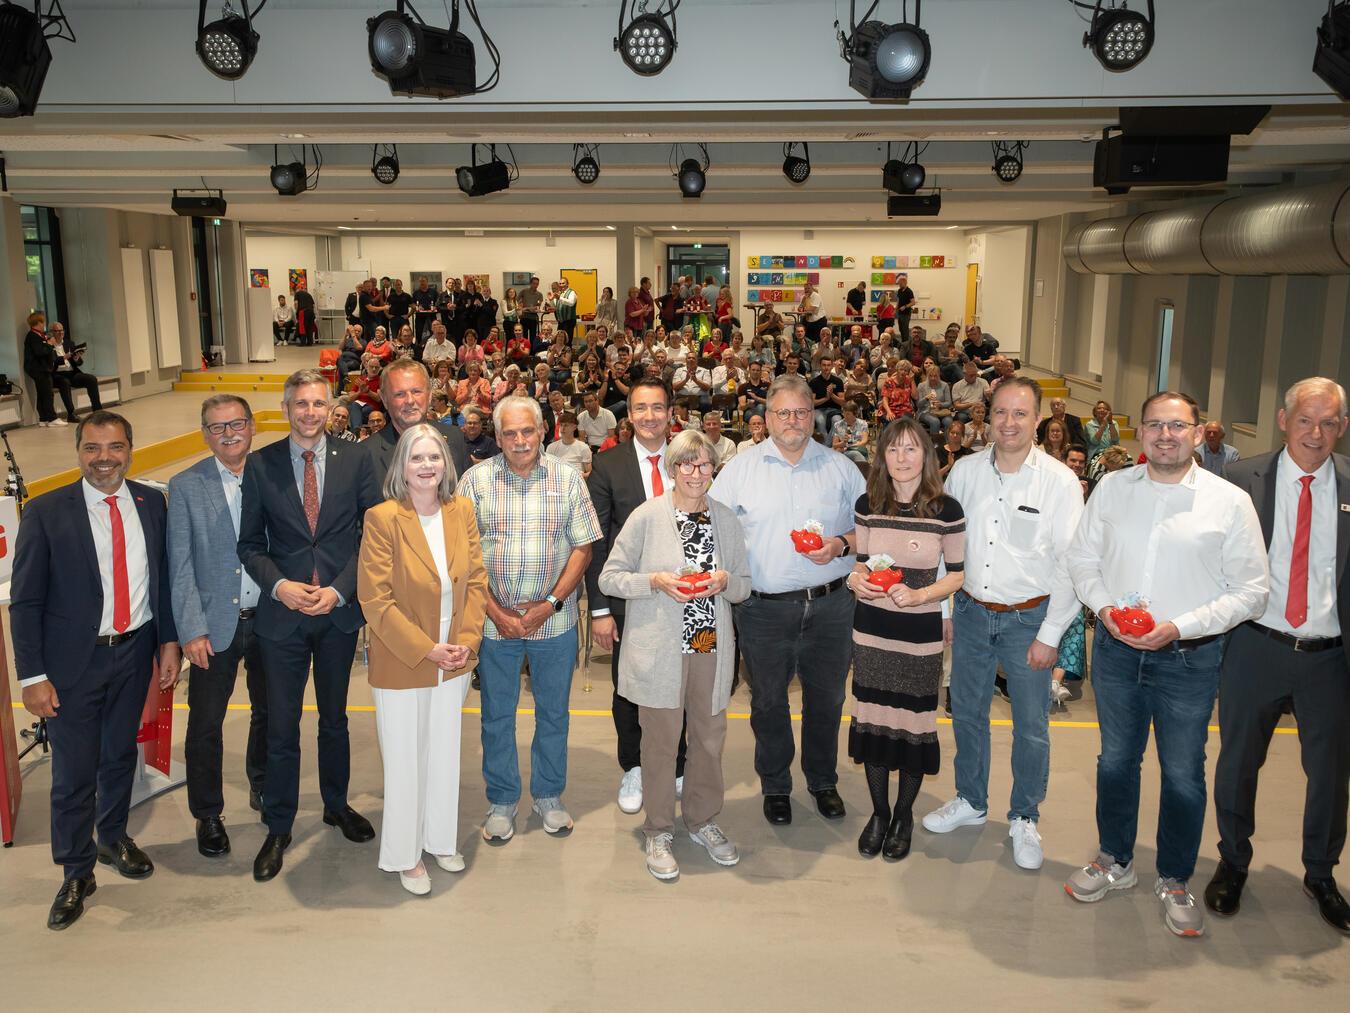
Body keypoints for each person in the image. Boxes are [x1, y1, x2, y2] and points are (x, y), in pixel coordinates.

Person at [1065, 390, 1269, 938]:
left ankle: (1175, 877)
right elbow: (1082, 558)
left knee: (1182, 773)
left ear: (1198, 433)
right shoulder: (1113, 488)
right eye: (1154, 424)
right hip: (1116, 653)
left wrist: (1181, 626)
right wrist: (1105, 609)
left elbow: (1252, 592)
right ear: (1141, 432)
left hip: (1188, 660)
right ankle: (1115, 860)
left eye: (1177, 426)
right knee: (1115, 762)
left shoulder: (1229, 502)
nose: (1165, 435)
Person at [11, 411, 181, 930]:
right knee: (73, 773)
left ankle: (111, 838)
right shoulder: (45, 512)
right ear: (78, 452)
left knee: (118, 756)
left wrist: (168, 643)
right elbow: (26, 601)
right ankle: (76, 870)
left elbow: (163, 579)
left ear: (130, 449)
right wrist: (33, 676)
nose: (104, 458)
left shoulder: (152, 503)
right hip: (71, 665)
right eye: (92, 448)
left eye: (114, 447)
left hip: (134, 653)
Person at [922, 377, 1085, 870]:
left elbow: (1071, 565)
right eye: (1000, 413)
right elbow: (946, 547)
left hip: (1029, 619)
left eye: (1020, 414)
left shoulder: (1059, 482)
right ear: (987, 417)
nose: (1009, 423)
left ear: (1038, 420)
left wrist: (1050, 634)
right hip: (971, 613)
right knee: (967, 714)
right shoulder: (965, 472)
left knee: (1030, 726)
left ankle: (1024, 816)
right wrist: (945, 611)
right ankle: (971, 801)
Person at [1207, 377, 1350, 934]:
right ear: (1284, 420)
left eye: (1329, 422)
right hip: (1255, 646)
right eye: (1306, 420)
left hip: (1329, 657)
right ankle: (1232, 862)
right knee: (1239, 762)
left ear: (1342, 427)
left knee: (1330, 773)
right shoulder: (1240, 481)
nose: (1317, 433)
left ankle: (1321, 873)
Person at [711, 374, 867, 825]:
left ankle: (822, 781)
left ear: (813, 416)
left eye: (801, 412)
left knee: (827, 700)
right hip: (763, 610)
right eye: (784, 412)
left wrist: (841, 544)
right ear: (767, 417)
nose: (793, 420)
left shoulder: (841, 468)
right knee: (768, 703)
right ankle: (776, 784)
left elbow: (872, 528)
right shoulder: (740, 470)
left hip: (832, 607)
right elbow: (713, 529)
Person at [237, 370, 375, 882]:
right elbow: (250, 544)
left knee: (335, 719)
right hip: (283, 617)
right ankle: (279, 825)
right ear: (286, 409)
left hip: (337, 612)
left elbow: (371, 536)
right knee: (281, 726)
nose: (310, 412)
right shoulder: (261, 464)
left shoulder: (356, 459)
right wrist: (280, 587)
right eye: (301, 404)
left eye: (318, 403)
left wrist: (340, 589)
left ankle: (336, 805)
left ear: (330, 407)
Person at [597, 431, 752, 880]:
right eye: (686, 464)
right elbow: (610, 577)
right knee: (661, 743)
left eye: (704, 464)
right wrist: (655, 582)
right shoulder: (647, 516)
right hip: (661, 649)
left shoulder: (725, 519)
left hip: (708, 644)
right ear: (672, 468)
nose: (696, 473)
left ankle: (702, 820)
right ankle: (659, 829)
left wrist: (725, 581)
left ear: (714, 469)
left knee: (708, 738)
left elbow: (744, 585)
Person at [457, 396, 602, 843]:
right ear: (497, 437)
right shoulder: (474, 481)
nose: (520, 441)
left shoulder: (568, 479)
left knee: (553, 714)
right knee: (496, 716)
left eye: (527, 431)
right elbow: (464, 556)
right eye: (510, 433)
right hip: (493, 623)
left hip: (554, 623)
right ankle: (502, 800)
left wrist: (550, 604)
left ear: (543, 431)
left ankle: (548, 796)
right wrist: (495, 611)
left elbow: (583, 548)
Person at [356, 424, 486, 895]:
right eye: (417, 458)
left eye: (434, 457)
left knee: (444, 755)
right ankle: (405, 855)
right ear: (402, 467)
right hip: (404, 660)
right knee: (406, 761)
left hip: (453, 659)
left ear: (446, 464)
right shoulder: (383, 518)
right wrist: (426, 649)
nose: (427, 466)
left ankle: (439, 839)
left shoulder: (462, 511)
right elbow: (375, 600)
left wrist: (466, 643)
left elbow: (476, 582)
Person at [847, 418, 966, 861]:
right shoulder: (868, 503)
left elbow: (957, 575)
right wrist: (855, 581)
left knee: (913, 727)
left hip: (919, 637)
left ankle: (903, 815)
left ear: (926, 455)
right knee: (875, 723)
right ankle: (879, 813)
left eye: (911, 448)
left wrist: (919, 595)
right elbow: (861, 563)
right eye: (893, 449)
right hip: (872, 632)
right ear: (882, 455)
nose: (902, 458)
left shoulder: (946, 510)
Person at [167, 395, 268, 860]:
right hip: (213, 626)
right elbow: (180, 565)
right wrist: (191, 629)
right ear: (205, 434)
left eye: (236, 424)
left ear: (252, 426)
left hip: (269, 619)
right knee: (205, 724)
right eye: (217, 427)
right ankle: (208, 813)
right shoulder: (186, 485)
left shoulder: (272, 474)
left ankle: (264, 787)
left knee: (271, 713)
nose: (229, 434)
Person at [586, 378, 690, 813]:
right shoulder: (608, 465)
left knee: (683, 682)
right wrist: (600, 610)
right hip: (630, 598)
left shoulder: (689, 459)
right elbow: (597, 542)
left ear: (671, 413)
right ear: (628, 415)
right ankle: (634, 765)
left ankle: (678, 765)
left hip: (686, 597)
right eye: (641, 408)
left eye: (658, 407)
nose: (650, 416)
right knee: (629, 685)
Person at [359, 360, 470, 502]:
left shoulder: (456, 438)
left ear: (429, 396)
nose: (410, 400)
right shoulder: (365, 454)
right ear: (384, 399)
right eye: (399, 394)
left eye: (416, 391)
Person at [49, 321, 103, 416]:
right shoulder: (49, 346)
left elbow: (79, 363)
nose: (61, 333)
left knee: (91, 379)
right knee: (65, 382)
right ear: (52, 332)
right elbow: (51, 363)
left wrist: (76, 358)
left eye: (62, 330)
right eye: (57, 331)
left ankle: (97, 410)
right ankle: (71, 414)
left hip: (72, 373)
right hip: (58, 375)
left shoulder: (69, 343)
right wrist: (64, 357)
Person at [23, 311, 66, 427]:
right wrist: (50, 344)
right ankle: (52, 418)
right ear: (38, 323)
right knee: (47, 393)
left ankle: (43, 418)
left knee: (42, 393)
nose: (44, 324)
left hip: (42, 368)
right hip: (38, 369)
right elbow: (40, 352)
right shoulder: (33, 336)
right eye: (42, 322)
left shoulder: (39, 335)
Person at [545, 411, 593, 477]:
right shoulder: (551, 447)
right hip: (558, 479)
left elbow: (589, 472)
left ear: (574, 427)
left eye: (566, 425)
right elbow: (547, 470)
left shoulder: (583, 447)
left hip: (577, 478)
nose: (562, 428)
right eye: (561, 425)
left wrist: (579, 477)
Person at [915, 363, 953, 437]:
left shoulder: (944, 385)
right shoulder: (921, 386)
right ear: (927, 375)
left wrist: (941, 404)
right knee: (935, 421)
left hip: (941, 411)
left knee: (949, 421)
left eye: (935, 376)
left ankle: (947, 442)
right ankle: (935, 443)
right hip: (926, 411)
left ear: (939, 375)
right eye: (930, 376)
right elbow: (918, 405)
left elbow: (949, 402)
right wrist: (926, 398)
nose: (933, 378)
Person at [518, 276, 544, 349]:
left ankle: (532, 352)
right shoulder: (524, 291)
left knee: (533, 336)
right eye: (534, 283)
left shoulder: (539, 294)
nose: (535, 285)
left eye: (537, 284)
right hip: (524, 317)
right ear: (530, 283)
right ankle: (524, 350)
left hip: (533, 318)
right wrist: (522, 308)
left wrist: (533, 308)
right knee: (524, 336)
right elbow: (517, 302)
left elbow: (538, 306)